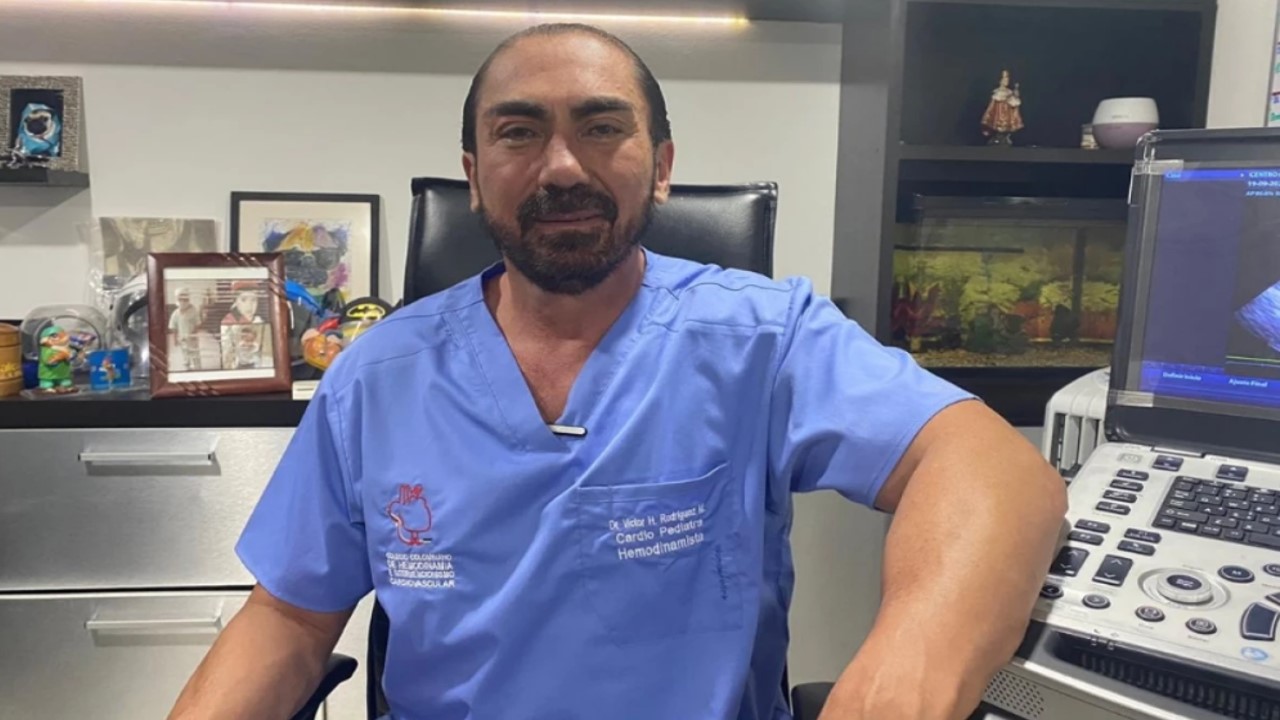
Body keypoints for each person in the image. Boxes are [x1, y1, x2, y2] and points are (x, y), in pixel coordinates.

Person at [169, 23, 1066, 720]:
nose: (562, 166)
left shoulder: (762, 338)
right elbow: (289, 618)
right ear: (474, 177)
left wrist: (899, 677)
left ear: (662, 168)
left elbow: (991, 469)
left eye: (601, 128)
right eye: (519, 133)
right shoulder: (378, 376)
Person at [167, 287, 204, 371]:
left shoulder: (193, 310)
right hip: (182, 339)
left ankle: (198, 369)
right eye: (180, 299)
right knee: (185, 355)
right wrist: (175, 339)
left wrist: (193, 333)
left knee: (195, 354)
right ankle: (187, 367)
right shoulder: (176, 313)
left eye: (185, 299)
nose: (183, 301)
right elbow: (173, 327)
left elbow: (198, 323)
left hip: (192, 338)